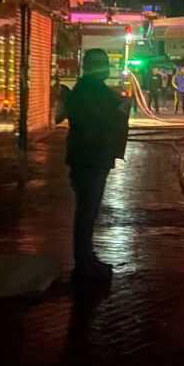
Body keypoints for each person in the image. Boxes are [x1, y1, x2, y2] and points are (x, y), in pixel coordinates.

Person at [65, 48, 130, 280]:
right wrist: (121, 109)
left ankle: (85, 258)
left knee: (87, 211)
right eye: (103, 64)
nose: (107, 68)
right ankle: (84, 262)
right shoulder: (93, 91)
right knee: (86, 211)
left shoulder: (86, 89)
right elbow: (104, 121)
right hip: (91, 158)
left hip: (88, 157)